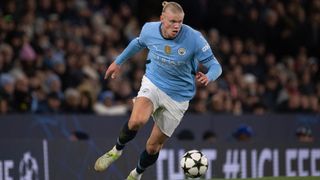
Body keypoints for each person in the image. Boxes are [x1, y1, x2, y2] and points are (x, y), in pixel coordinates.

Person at [94, 1, 222, 179]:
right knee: (137, 121)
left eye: (180, 22)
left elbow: (215, 66)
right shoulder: (149, 29)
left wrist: (209, 76)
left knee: (153, 147)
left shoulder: (194, 38)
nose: (177, 26)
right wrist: (118, 62)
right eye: (172, 21)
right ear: (162, 19)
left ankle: (136, 174)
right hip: (153, 83)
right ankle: (116, 150)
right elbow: (138, 44)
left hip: (178, 97)